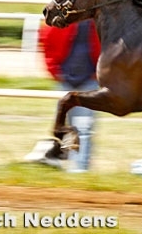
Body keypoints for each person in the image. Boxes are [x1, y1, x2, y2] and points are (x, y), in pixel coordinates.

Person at [38, 19, 101, 172]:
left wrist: (98, 74)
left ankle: (78, 169)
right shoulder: (60, 19)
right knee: (65, 127)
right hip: (65, 81)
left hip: (89, 82)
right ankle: (61, 161)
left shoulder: (100, 21)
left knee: (84, 127)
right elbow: (46, 41)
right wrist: (54, 70)